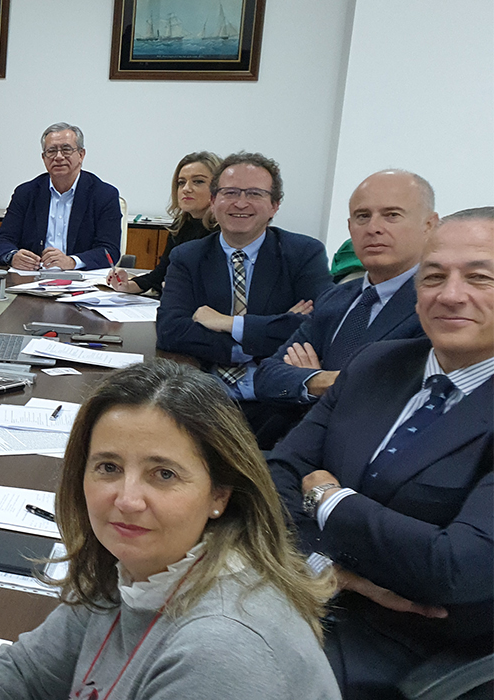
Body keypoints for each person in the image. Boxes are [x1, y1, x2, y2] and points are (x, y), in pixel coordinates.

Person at [0, 360, 338, 700]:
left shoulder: (224, 650)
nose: (127, 500)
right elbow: (24, 673)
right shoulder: (143, 565)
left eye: (163, 474)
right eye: (109, 467)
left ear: (220, 493)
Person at [269, 208, 493, 700]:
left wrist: (328, 498)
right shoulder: (377, 363)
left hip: (413, 644)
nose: (451, 294)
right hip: (307, 586)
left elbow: (455, 568)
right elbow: (277, 477)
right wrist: (328, 569)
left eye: (480, 277)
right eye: (434, 277)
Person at [155, 152, 332, 446]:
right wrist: (260, 339)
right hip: (203, 400)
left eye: (254, 194)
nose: (240, 203)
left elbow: (319, 327)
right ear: (213, 201)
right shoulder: (188, 257)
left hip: (279, 403)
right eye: (230, 193)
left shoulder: (303, 254)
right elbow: (171, 331)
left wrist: (228, 323)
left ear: (274, 205)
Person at [255, 170, 434, 413]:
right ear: (350, 227)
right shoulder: (335, 298)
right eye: (362, 216)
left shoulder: (436, 305)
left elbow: (393, 393)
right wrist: (321, 381)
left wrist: (313, 379)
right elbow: (266, 378)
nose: (373, 228)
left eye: (392, 215)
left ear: (429, 225)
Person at [0, 123, 122, 271]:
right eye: (51, 151)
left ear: (81, 155)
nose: (58, 157)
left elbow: (109, 250)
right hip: (32, 279)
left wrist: (72, 261)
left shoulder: (104, 195)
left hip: (81, 281)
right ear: (43, 158)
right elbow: (2, 241)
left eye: (66, 149)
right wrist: (13, 256)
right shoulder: (26, 193)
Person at [108, 152, 220, 294]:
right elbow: (160, 275)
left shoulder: (225, 232)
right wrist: (127, 285)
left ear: (219, 187)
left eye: (198, 181)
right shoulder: (180, 227)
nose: (186, 189)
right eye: (181, 182)